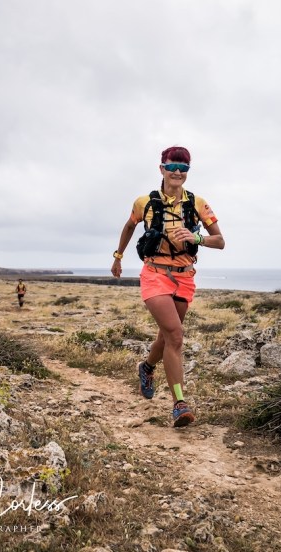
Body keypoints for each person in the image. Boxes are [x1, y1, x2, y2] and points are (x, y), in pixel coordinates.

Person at [111, 146, 225, 427]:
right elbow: (129, 226)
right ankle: (179, 404)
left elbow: (220, 241)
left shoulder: (198, 203)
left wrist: (197, 238)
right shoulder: (144, 203)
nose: (177, 172)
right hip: (154, 274)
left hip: (185, 277)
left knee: (166, 336)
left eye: (183, 168)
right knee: (175, 335)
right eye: (172, 166)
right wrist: (118, 256)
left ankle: (147, 367)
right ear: (161, 168)